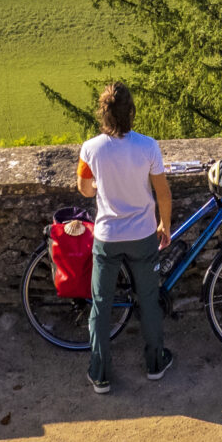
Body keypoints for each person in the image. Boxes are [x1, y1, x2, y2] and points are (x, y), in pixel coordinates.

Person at [77, 80, 173, 393]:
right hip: (143, 233)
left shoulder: (90, 149)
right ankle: (155, 363)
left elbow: (85, 188)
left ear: (102, 114)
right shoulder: (148, 146)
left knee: (101, 304)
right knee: (149, 300)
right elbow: (163, 193)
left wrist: (101, 188)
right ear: (131, 112)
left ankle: (100, 372)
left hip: (107, 236)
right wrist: (165, 226)